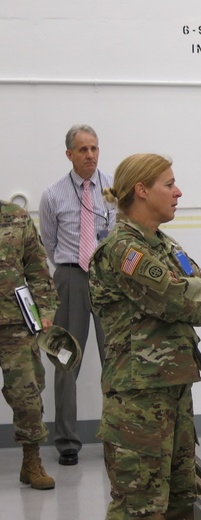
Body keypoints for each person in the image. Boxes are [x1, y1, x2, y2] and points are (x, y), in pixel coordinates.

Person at [89, 153, 201, 520]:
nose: (178, 192)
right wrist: (191, 293)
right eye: (169, 184)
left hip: (174, 392)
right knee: (139, 512)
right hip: (138, 401)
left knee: (178, 509)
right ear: (141, 191)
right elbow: (181, 298)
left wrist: (192, 294)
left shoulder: (162, 243)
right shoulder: (122, 250)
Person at [39, 124, 117, 467]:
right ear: (69, 154)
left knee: (115, 359)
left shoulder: (114, 188)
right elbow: (49, 242)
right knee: (65, 359)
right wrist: (71, 268)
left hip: (107, 279)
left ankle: (116, 436)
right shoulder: (53, 194)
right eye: (83, 150)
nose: (90, 156)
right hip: (70, 278)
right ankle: (67, 441)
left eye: (94, 149)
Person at [0, 200, 59, 490]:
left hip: (15, 325)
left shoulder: (16, 217)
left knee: (28, 396)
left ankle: (31, 462)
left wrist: (45, 312)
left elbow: (37, 269)